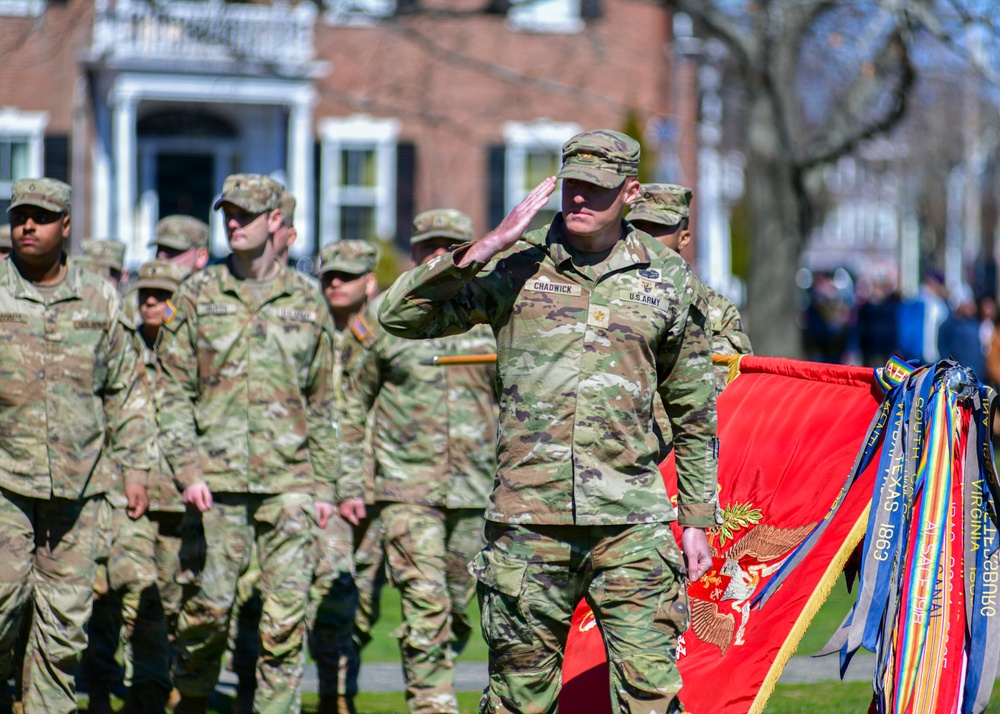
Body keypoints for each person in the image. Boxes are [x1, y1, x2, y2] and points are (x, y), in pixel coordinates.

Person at [378, 130, 718, 714]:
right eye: (572, 186)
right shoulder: (517, 265)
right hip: (527, 524)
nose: (580, 199)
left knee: (652, 697)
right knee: (518, 700)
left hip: (630, 523)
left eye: (597, 189)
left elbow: (693, 408)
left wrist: (696, 518)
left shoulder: (666, 277)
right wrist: (484, 247)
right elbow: (400, 317)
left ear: (631, 193)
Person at [155, 173, 341, 713]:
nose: (233, 223)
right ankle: (189, 700)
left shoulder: (307, 300)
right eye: (227, 213)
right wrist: (187, 469)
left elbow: (327, 400)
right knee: (206, 617)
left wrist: (326, 486)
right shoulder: (196, 295)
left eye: (246, 214)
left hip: (290, 483)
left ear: (275, 221)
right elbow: (171, 390)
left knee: (284, 625)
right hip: (216, 484)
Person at [0, 177, 152, 712]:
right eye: (20, 215)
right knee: (3, 605)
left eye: (41, 217)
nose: (27, 226)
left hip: (78, 488)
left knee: (63, 629)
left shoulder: (99, 298)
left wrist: (136, 469)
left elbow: (126, 390)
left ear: (66, 225)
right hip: (5, 484)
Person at [340, 209, 499, 714]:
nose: (438, 255)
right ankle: (433, 705)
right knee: (424, 604)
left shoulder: (489, 315)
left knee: (456, 610)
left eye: (451, 245)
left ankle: (433, 681)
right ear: (413, 253)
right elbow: (349, 407)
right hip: (406, 489)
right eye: (429, 246)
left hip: (476, 491)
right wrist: (350, 482)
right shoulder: (382, 323)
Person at [626, 183, 752, 392]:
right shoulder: (606, 292)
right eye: (637, 227)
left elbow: (723, 387)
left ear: (683, 239)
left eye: (657, 228)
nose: (644, 238)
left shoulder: (714, 309)